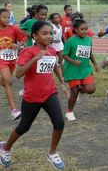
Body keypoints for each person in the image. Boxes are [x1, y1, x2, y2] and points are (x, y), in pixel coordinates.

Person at [0, 21, 67, 170]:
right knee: (24, 127)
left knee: (59, 123)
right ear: (35, 36)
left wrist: (62, 83)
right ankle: (5, 148)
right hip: (32, 96)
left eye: (50, 33)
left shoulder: (52, 50)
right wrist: (35, 58)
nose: (49, 36)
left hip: (50, 93)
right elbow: (18, 74)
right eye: (44, 33)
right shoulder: (28, 51)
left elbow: (54, 65)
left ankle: (52, 153)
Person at [63, 19, 100, 121]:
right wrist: (73, 61)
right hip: (72, 69)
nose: (84, 31)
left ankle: (79, 89)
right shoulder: (70, 41)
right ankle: (69, 112)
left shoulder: (88, 40)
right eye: (82, 29)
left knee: (91, 89)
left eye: (86, 29)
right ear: (75, 29)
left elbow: (90, 53)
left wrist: (95, 64)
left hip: (85, 69)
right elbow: (64, 55)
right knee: (73, 92)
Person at [0, 8, 27, 120]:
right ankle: (14, 110)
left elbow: (23, 38)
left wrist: (18, 45)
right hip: (1, 59)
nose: (7, 19)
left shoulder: (13, 29)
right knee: (9, 82)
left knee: (5, 81)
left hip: (11, 59)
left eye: (8, 17)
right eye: (4, 17)